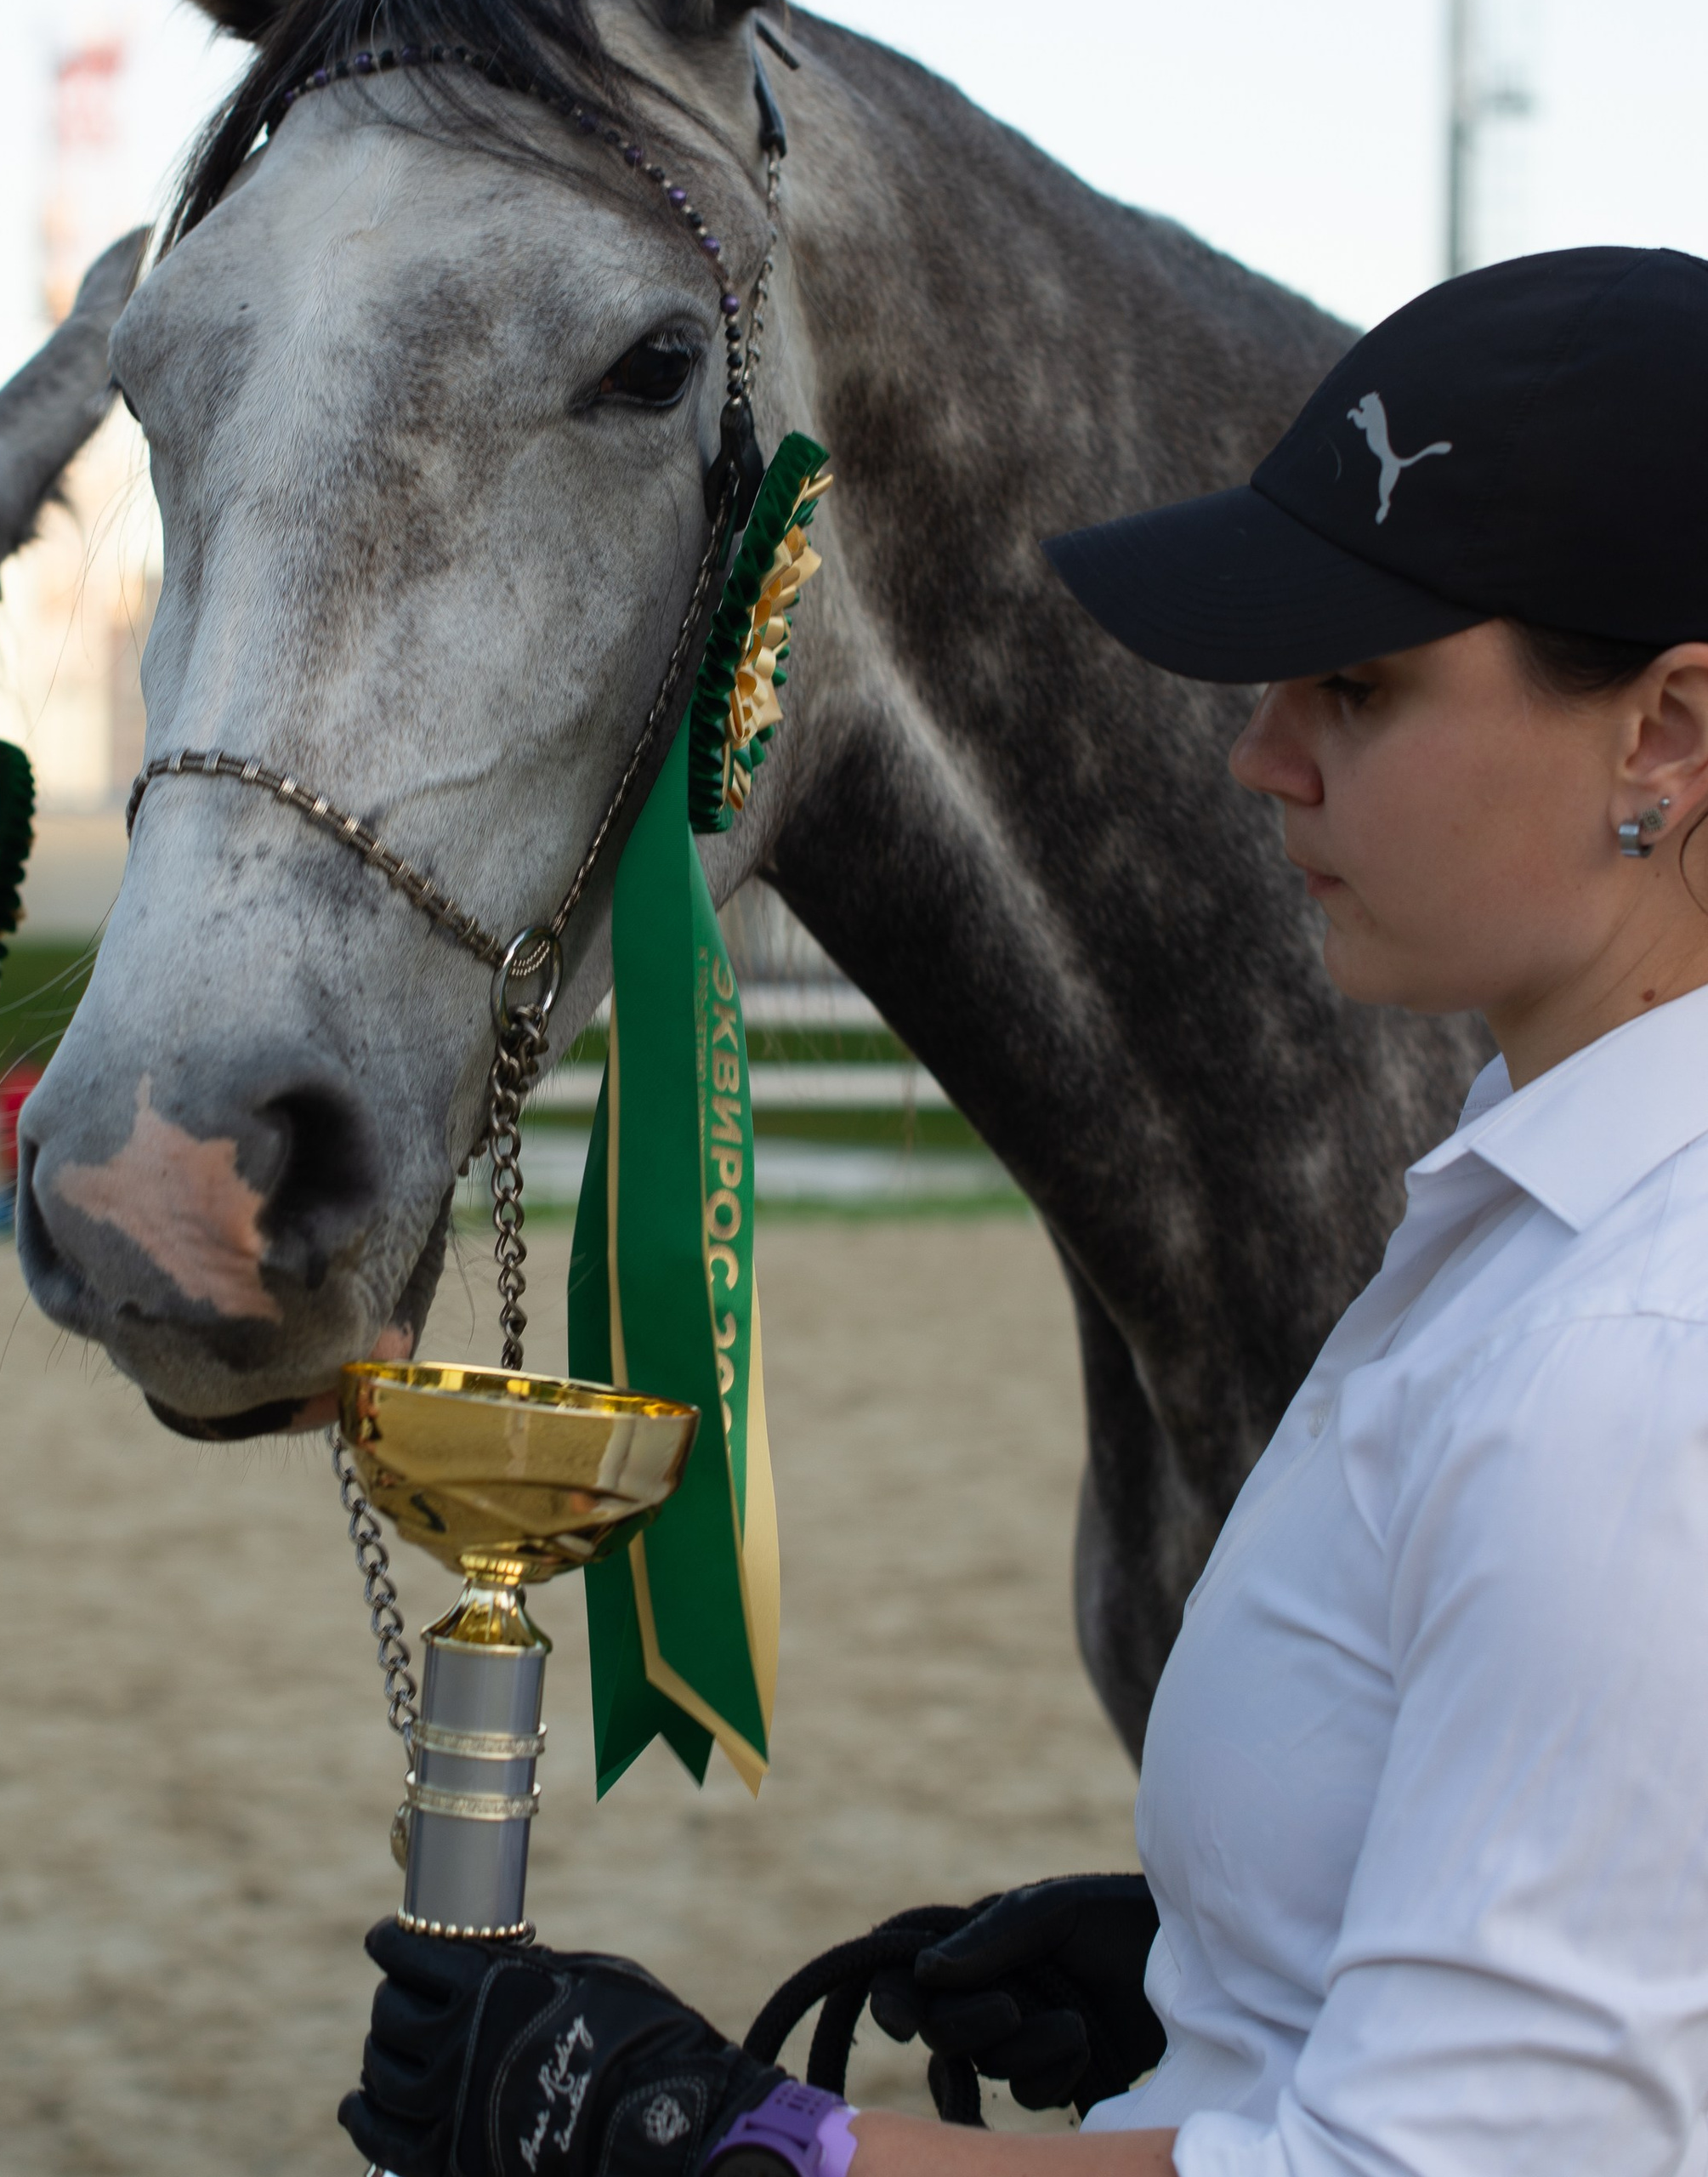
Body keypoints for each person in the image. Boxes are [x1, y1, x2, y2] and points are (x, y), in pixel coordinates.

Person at [340, 244, 1708, 2177]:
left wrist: (745, 2144)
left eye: (1356, 684)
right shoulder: (1549, 1203)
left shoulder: (1633, 1353)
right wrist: (1213, 1960)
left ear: (1658, 732)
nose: (1261, 755)